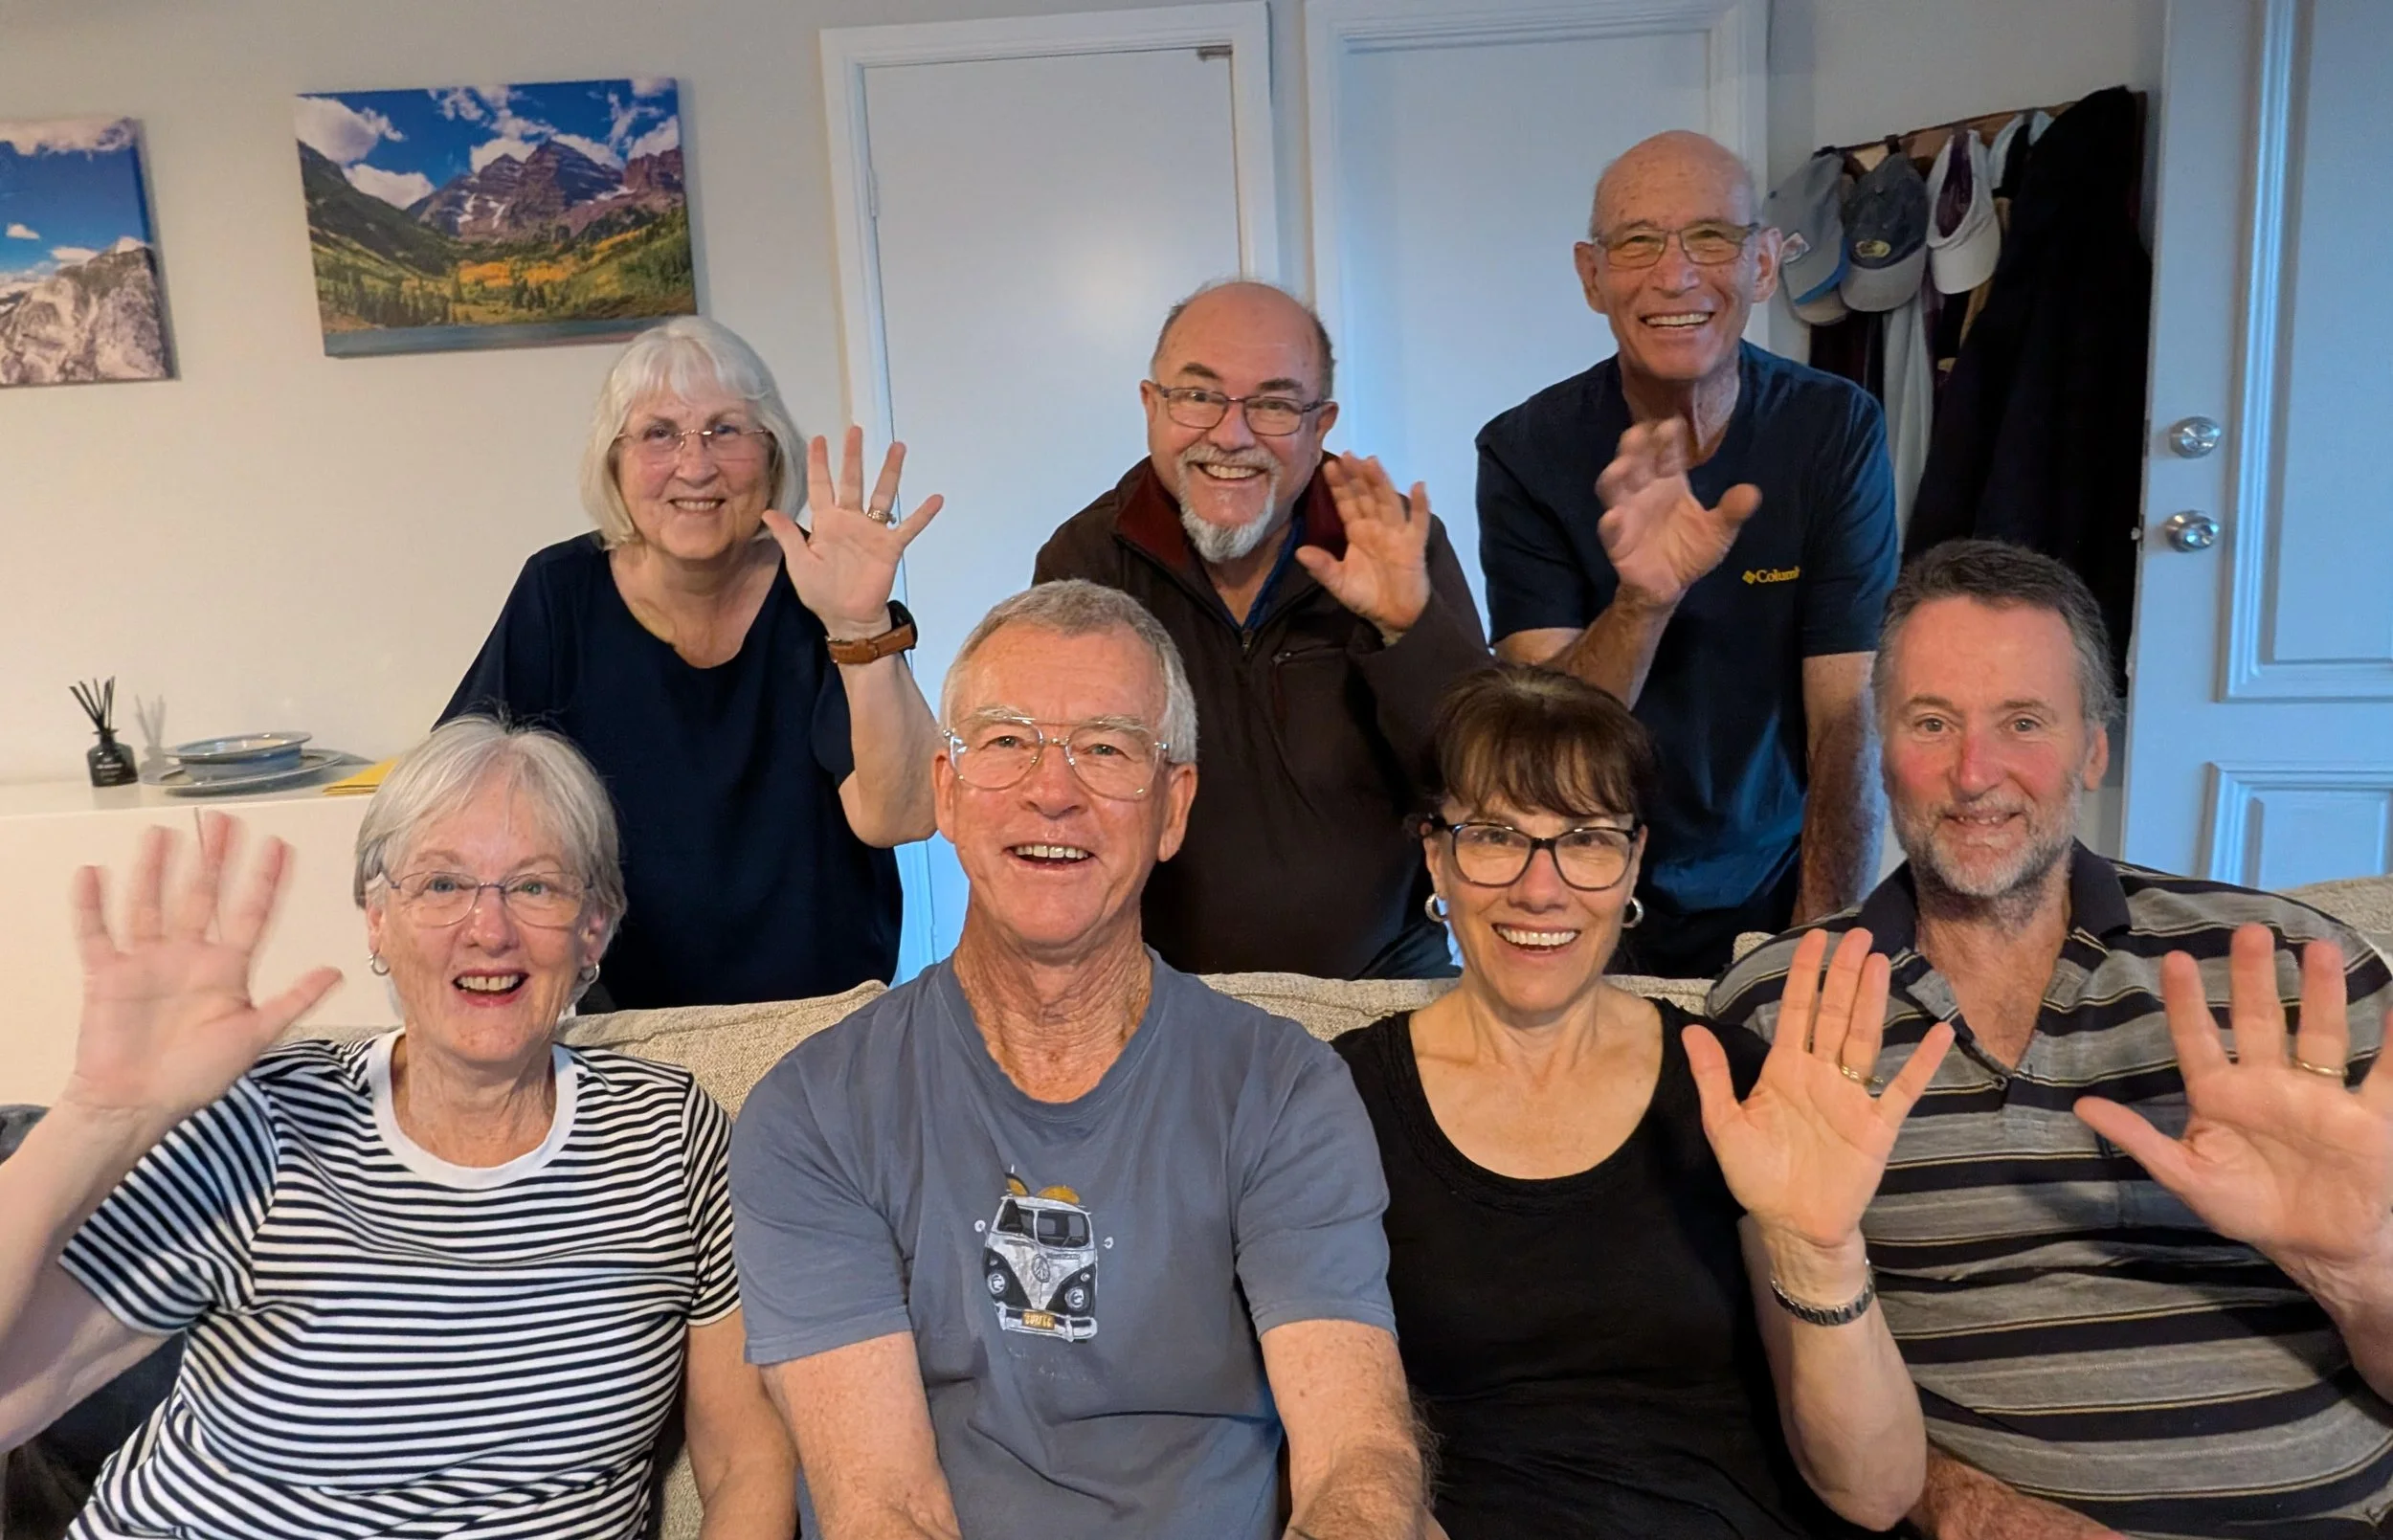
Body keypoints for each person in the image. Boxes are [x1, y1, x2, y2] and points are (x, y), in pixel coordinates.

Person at [1711, 540, 2393, 1537]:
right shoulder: (1782, 1011)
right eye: (1930, 722)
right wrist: (1979, 1510)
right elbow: (1830, 1446)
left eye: (2022, 722)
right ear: (1880, 741)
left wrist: (2359, 1269)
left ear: (2093, 748)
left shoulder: (2293, 971)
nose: (1973, 774)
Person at [728, 580, 1424, 1539]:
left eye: (1105, 746)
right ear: (946, 790)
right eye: (1007, 741)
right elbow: (881, 1505)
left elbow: (1360, 1457)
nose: (1051, 790)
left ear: (1172, 807)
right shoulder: (812, 1111)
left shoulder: (1284, 1088)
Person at [0, 719, 794, 1538]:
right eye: (442, 884)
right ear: (378, 918)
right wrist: (97, 1118)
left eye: (535, 886)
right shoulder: (264, 1118)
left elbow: (746, 1460)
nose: (489, 929)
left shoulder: (673, 1138)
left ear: (595, 925)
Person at [1335, 664, 1947, 1537]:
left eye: (1585, 839)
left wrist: (1821, 1252)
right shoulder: (1333, 1099)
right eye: (1495, 836)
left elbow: (1876, 1492)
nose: (1540, 889)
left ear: (1633, 864)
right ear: (1436, 854)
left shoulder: (1738, 1086)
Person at [1478, 129, 1898, 978]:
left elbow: (1848, 714)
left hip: (1783, 869)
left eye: (1711, 237)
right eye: (1636, 242)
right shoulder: (1525, 451)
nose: (1675, 275)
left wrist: (1819, 942)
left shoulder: (1833, 430)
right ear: (1592, 276)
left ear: (1765, 267)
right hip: (1582, 880)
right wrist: (1642, 603)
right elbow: (1547, 740)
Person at [446, 315, 941, 1009]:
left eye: (726, 430)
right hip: (617, 1026)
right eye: (659, 433)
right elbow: (460, 801)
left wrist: (858, 625)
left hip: (817, 1021)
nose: (695, 464)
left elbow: (903, 815)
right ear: (614, 463)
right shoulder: (560, 593)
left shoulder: (821, 584)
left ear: (771, 455)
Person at [1035, 279, 1488, 979]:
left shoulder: (1390, 543)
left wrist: (1409, 628)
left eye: (1274, 403)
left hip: (1386, 980)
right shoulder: (1086, 560)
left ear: (1321, 423)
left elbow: (1488, 781)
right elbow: (1058, 798)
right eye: (1198, 395)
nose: (1232, 433)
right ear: (1151, 405)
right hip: (1161, 995)